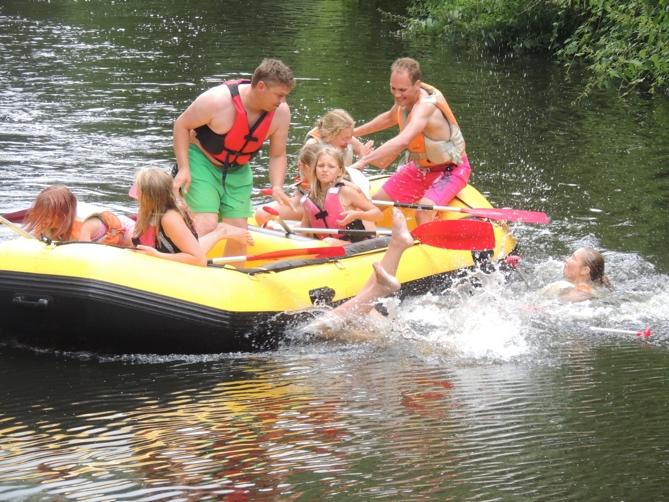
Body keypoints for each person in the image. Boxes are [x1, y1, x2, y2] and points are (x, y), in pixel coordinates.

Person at [172, 58, 295, 257]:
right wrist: (184, 168)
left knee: (240, 232)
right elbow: (181, 125)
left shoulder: (281, 113)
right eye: (279, 95)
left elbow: (278, 154)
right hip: (202, 160)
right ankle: (187, 268)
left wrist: (277, 186)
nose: (282, 101)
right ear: (261, 86)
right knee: (206, 223)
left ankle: (231, 278)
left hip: (238, 169)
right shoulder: (217, 101)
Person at [349, 57, 471, 225]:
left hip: (451, 170)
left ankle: (429, 247)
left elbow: (403, 140)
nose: (397, 94)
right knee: (371, 205)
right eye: (393, 88)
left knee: (423, 211)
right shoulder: (405, 100)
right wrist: (351, 133)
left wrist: (364, 161)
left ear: (417, 85)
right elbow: (389, 118)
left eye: (402, 90)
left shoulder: (425, 107)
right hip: (421, 169)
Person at [303, 208, 414, 341]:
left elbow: (375, 212)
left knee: (313, 331)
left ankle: (394, 252)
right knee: (321, 329)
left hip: (387, 338)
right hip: (389, 336)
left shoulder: (348, 190)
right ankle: (395, 249)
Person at [132, 167, 252, 267]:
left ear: (149, 196)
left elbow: (199, 259)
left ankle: (220, 231)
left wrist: (157, 256)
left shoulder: (169, 218)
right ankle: (220, 231)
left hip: (184, 265)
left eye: (139, 191)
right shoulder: (146, 211)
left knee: (194, 250)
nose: (135, 194)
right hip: (172, 253)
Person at [300, 145, 383, 244]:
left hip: (355, 245)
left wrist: (359, 215)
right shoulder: (309, 199)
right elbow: (304, 231)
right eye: (321, 165)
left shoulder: (346, 192)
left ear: (339, 172)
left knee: (328, 241)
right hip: (326, 246)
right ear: (315, 169)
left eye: (331, 166)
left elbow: (378, 214)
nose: (325, 169)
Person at [24, 185, 135, 246]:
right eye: (40, 214)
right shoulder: (46, 224)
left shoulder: (87, 225)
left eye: (46, 215)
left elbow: (83, 253)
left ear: (62, 215)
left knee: (132, 239)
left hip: (123, 229)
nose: (42, 219)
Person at [305, 108, 374, 194]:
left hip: (340, 184)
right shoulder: (313, 146)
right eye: (346, 138)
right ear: (331, 135)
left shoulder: (346, 138)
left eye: (350, 137)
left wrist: (363, 157)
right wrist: (358, 165)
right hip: (315, 192)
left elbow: (361, 151)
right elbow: (322, 180)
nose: (349, 142)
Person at [254, 141, 320, 228]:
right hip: (305, 203)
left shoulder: (339, 187)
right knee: (262, 214)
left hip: (311, 208)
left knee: (262, 214)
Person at [541, 247, 613, 302]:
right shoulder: (596, 290)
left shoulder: (566, 288)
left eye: (573, 258)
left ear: (585, 270)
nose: (567, 260)